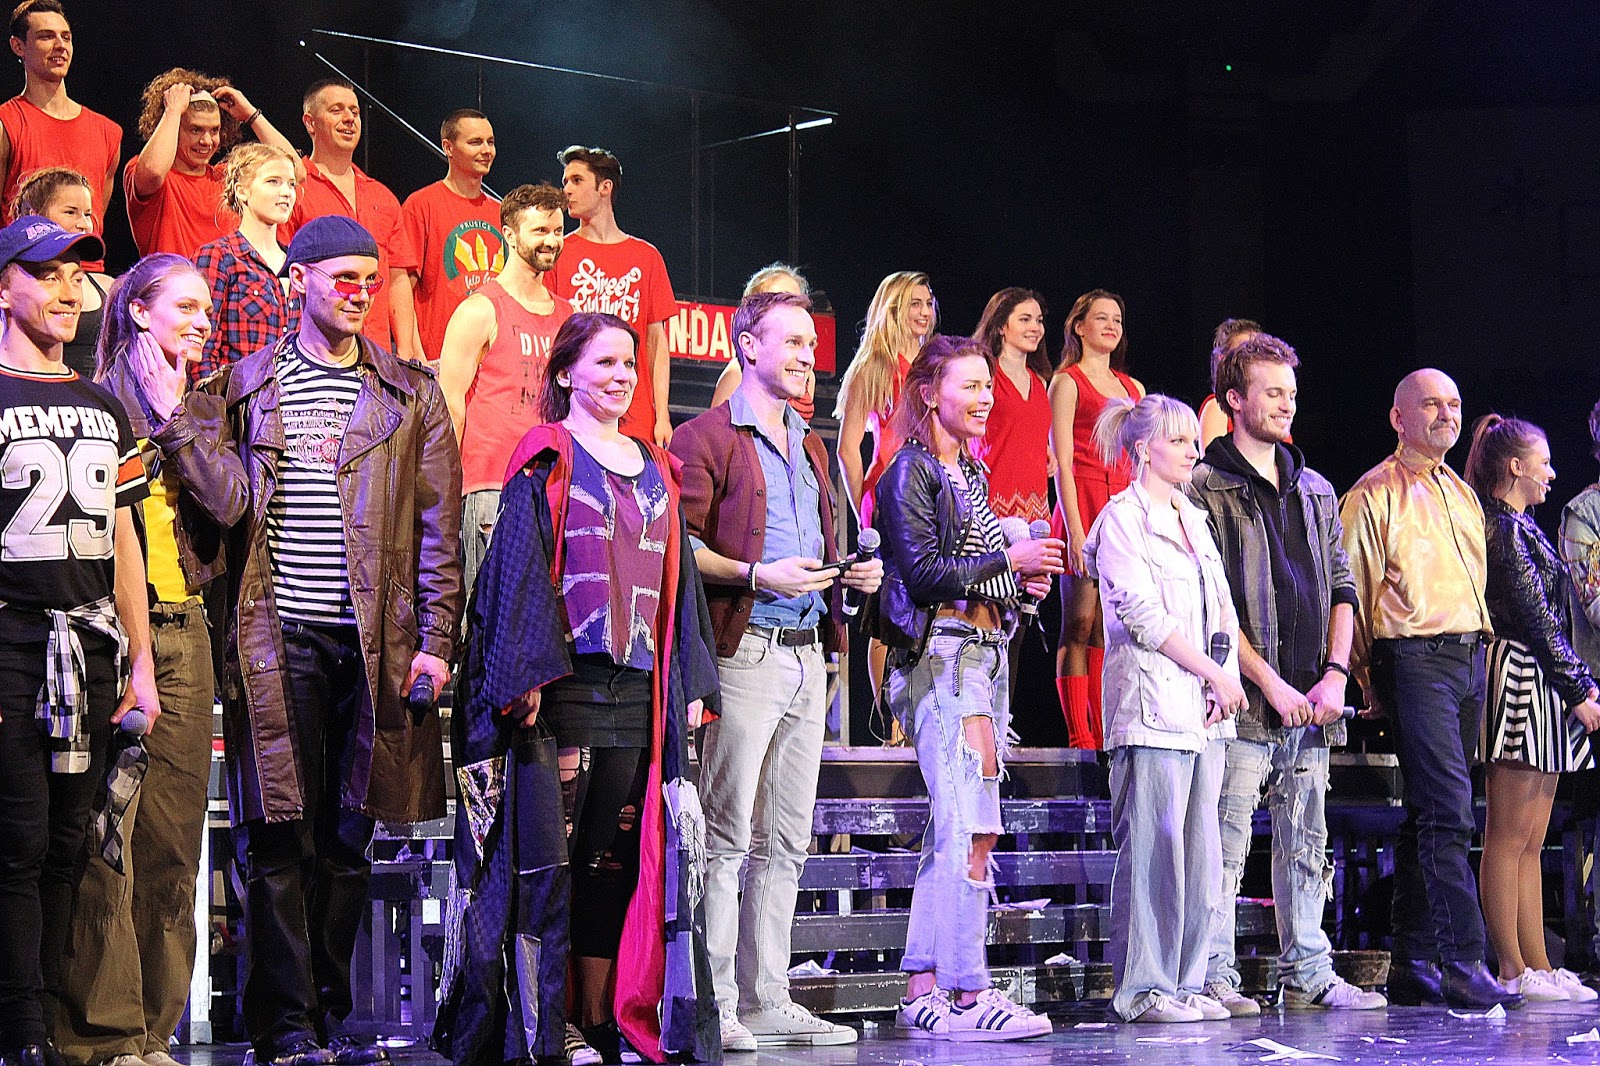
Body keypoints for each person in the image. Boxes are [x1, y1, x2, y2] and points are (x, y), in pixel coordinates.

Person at [151, 215, 463, 1066]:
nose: (360, 293)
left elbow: (439, 528)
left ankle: (329, 1018)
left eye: (370, 279)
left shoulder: (411, 393)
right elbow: (216, 502)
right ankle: (284, 1027)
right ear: (299, 282)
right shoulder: (239, 389)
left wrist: (437, 639)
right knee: (277, 835)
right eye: (343, 278)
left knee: (350, 835)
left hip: (375, 642)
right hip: (275, 634)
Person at [443, 313, 720, 1066]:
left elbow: (680, 581)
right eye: (605, 363)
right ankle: (547, 1023)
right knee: (551, 864)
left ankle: (599, 1018)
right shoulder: (548, 456)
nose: (622, 376)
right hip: (562, 688)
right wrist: (525, 672)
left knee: (612, 863)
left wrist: (692, 681)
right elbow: (517, 569)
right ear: (566, 374)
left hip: (637, 690)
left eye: (629, 363)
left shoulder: (657, 465)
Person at [672, 290, 881, 1051]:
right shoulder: (705, 437)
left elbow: (821, 546)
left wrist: (851, 575)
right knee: (728, 834)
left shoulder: (812, 444)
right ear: (747, 346)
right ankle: (718, 1002)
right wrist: (756, 575)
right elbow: (680, 548)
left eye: (809, 345)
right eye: (790, 342)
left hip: (806, 654)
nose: (805, 357)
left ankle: (769, 997)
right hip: (747, 650)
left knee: (787, 839)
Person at [52, 254, 222, 1066]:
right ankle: (105, 1033)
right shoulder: (93, 401)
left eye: (207, 310)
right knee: (103, 839)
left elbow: (232, 502)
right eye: (185, 307)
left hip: (186, 627)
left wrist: (178, 418)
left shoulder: (205, 406)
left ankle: (154, 1032)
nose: (202, 322)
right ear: (139, 311)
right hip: (108, 628)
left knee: (172, 844)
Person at [1184, 334, 1385, 1015]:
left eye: (1290, 393)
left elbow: (1342, 587)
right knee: (1226, 840)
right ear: (1233, 400)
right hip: (1245, 700)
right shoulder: (1205, 487)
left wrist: (1335, 674)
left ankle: (1308, 971)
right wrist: (1269, 683)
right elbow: (1213, 603)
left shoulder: (1315, 488)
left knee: (1308, 842)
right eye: (1271, 392)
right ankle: (1214, 972)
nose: (1286, 404)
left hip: (1313, 699)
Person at [0, 215, 158, 1066]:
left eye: (76, 275)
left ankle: (43, 1024)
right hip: (12, 642)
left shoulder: (103, 405)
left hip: (90, 651)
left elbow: (124, 541)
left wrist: (141, 663)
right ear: (4, 287)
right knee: (17, 841)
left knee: (69, 843)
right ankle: (19, 1032)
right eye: (45, 272)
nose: (67, 290)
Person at [872, 336, 1062, 1041]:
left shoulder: (970, 475)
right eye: (970, 386)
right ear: (929, 394)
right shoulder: (910, 471)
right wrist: (1007, 559)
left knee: (954, 827)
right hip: (944, 659)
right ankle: (966, 991)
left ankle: (924, 985)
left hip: (985, 656)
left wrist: (1019, 583)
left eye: (988, 386)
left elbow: (979, 570)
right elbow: (924, 575)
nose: (985, 399)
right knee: (972, 827)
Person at [1340, 368, 1521, 1010]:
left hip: (1467, 657)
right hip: (1413, 658)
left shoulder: (1463, 494)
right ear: (1399, 417)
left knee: (1430, 811)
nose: (1447, 414)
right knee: (1449, 810)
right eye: (1432, 404)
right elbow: (1353, 592)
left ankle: (1412, 962)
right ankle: (1463, 961)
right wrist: (1366, 676)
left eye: (1454, 404)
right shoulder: (1373, 492)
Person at [1083, 393, 1245, 1024]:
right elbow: (1144, 616)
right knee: (1155, 855)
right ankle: (1145, 989)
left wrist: (1220, 677)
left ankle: (1189, 980)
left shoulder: (1194, 518)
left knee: (1202, 859)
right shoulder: (1121, 521)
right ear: (1144, 449)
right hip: (1152, 709)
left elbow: (1222, 608)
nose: (1191, 452)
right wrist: (1209, 672)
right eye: (1178, 441)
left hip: (1205, 714)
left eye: (1191, 441)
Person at [1466, 414, 1600, 1003]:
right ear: (1515, 466)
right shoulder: (1502, 529)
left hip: (1543, 678)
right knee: (1508, 834)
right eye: (1542, 462)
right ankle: (1511, 966)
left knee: (1532, 838)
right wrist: (1581, 689)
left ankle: (1538, 963)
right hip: (1521, 673)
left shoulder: (1523, 526)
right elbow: (1535, 618)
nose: (1551, 473)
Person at [437, 181, 571, 594]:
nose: (551, 240)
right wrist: (444, 491)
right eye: (540, 231)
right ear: (510, 236)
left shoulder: (569, 316)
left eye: (557, 230)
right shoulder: (480, 309)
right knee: (489, 615)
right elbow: (449, 405)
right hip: (491, 486)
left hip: (552, 487)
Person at [834, 271, 935, 716]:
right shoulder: (875, 365)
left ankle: (922, 714)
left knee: (929, 606)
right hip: (890, 496)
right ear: (893, 307)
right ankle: (889, 722)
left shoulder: (936, 364)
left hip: (933, 496)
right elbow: (847, 448)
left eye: (929, 303)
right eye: (915, 303)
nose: (925, 312)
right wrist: (864, 507)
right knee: (889, 610)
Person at [1048, 289, 1144, 749]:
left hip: (1121, 506)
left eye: (1117, 319)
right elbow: (1063, 463)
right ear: (1079, 326)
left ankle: (1105, 731)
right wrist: (1075, 530)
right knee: (1080, 623)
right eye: (1101, 318)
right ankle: (1079, 735)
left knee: (1110, 625)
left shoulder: (1133, 388)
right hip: (1083, 500)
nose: (1111, 326)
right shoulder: (1067, 382)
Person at [547, 146, 676, 446]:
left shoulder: (647, 257)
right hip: (576, 412)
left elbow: (656, 343)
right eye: (565, 181)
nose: (566, 190)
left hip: (636, 416)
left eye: (577, 180)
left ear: (605, 187)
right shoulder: (558, 254)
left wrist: (662, 415)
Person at [283, 78, 417, 359]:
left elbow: (397, 281)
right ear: (310, 123)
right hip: (316, 354)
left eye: (354, 112)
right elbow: (282, 275)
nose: (349, 118)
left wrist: (405, 351)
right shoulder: (294, 191)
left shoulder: (382, 196)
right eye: (336, 110)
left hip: (377, 355)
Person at [124, 68, 298, 259]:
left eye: (214, 130)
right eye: (195, 130)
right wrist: (173, 111)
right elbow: (154, 172)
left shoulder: (226, 177)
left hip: (227, 278)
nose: (206, 141)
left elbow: (294, 169)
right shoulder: (150, 172)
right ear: (174, 127)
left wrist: (251, 115)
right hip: (175, 278)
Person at [0, 1, 119, 255]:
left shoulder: (107, 133)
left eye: (66, 37)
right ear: (18, 46)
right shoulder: (6, 123)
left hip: (87, 269)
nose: (60, 45)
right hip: (27, 268)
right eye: (46, 36)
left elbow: (93, 219)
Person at [396, 109, 503, 362]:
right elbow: (402, 292)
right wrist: (416, 357)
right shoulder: (421, 206)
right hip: (439, 359)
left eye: (490, 142)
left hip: (494, 362)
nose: (486, 150)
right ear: (448, 147)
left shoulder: (502, 212)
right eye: (475, 142)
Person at [193, 142, 299, 382]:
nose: (286, 192)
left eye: (291, 184)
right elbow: (202, 347)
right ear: (242, 191)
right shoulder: (219, 257)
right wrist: (210, 399)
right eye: (273, 181)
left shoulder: (297, 265)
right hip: (237, 398)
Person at [8, 166, 109, 376]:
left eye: (88, 214)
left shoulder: (106, 286)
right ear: (34, 216)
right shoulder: (14, 283)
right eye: (71, 212)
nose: (84, 224)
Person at [970, 287, 1052, 525]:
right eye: (1025, 319)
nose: (1035, 327)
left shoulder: (1040, 382)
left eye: (1039, 320)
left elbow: (1026, 429)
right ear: (1001, 327)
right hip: (993, 501)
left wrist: (1046, 450)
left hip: (1036, 505)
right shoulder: (987, 376)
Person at [708, 263, 816, 419]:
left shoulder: (805, 374)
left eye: (795, 301)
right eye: (778, 301)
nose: (790, 308)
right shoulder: (738, 372)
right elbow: (714, 429)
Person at [1196, 318, 1260, 449]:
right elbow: (1213, 460)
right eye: (1244, 352)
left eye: (1258, 351)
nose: (1253, 358)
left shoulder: (1268, 406)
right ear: (1223, 359)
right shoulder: (1217, 408)